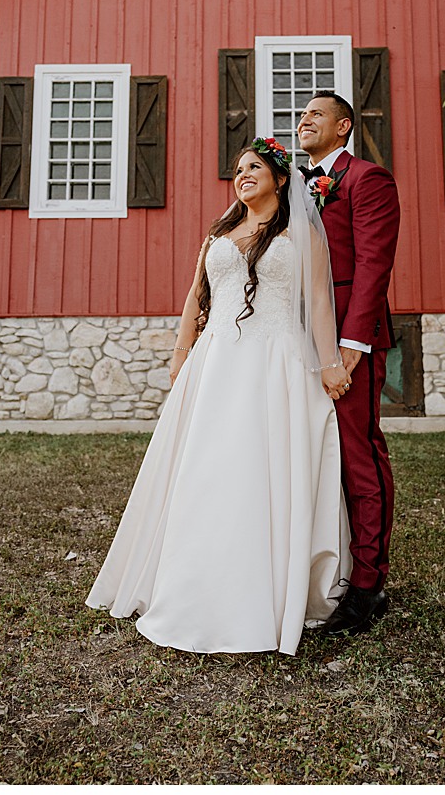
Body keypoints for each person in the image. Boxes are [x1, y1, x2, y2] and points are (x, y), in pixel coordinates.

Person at [86, 139, 351, 654]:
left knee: (263, 469)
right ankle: (194, 583)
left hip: (276, 364)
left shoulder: (300, 234)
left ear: (279, 178)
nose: (243, 175)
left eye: (254, 167)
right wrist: (180, 352)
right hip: (215, 363)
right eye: (237, 170)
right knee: (206, 468)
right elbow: (196, 296)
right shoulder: (220, 234)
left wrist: (330, 362)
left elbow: (319, 300)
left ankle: (269, 589)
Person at [297, 92, 402, 636]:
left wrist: (353, 343)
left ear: (344, 127)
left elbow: (373, 263)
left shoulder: (367, 179)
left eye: (316, 113)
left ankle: (368, 586)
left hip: (344, 339)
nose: (303, 119)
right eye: (300, 113)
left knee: (358, 455)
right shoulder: (293, 184)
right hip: (295, 340)